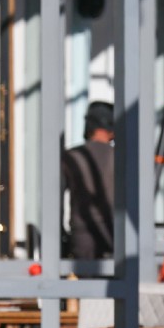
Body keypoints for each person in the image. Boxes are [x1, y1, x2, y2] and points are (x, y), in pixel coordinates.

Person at [61, 101, 115, 260]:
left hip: (81, 237)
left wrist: (60, 236)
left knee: (83, 283)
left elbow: (55, 201)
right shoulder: (120, 157)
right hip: (113, 235)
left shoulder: (71, 156)